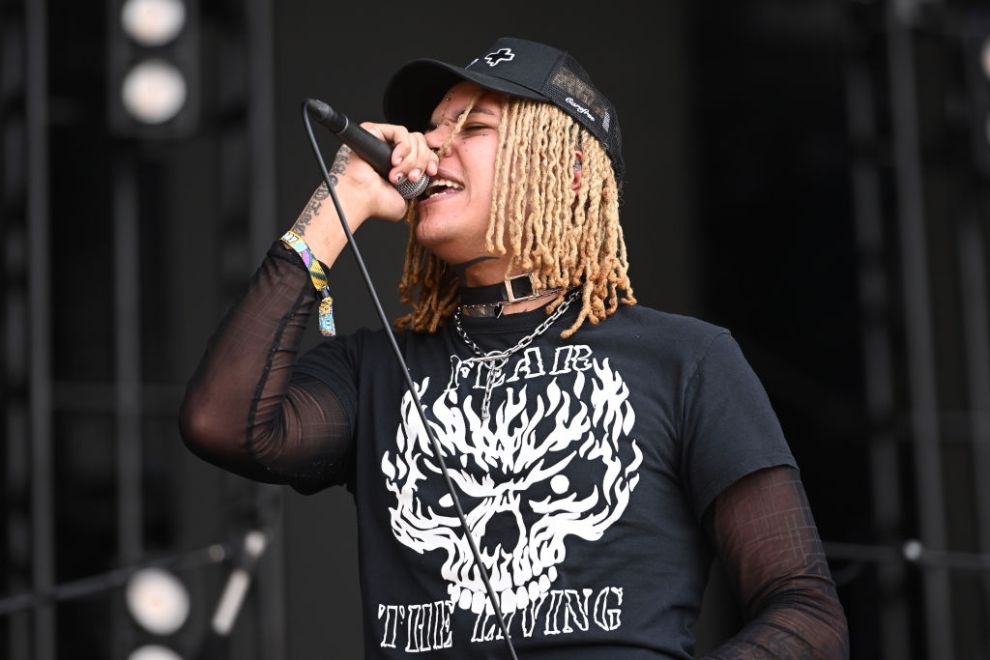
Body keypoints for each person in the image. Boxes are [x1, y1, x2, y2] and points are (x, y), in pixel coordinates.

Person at [179, 37, 848, 658]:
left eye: (472, 129)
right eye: (431, 130)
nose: (431, 148)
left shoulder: (685, 359)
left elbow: (807, 614)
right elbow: (221, 423)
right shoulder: (374, 367)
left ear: (572, 171)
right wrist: (339, 202)